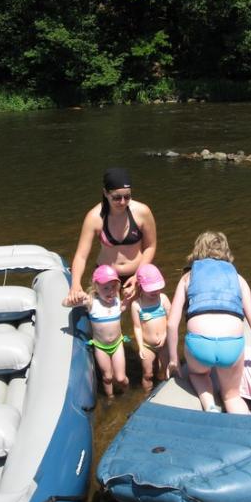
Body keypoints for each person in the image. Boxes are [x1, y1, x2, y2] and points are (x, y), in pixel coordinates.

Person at [166, 231, 251, 414]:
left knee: (198, 374)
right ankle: (244, 425)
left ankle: (209, 406)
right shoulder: (238, 279)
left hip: (199, 346)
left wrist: (173, 360)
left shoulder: (188, 278)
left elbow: (172, 324)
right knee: (232, 396)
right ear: (226, 252)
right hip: (231, 346)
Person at [64, 168, 156, 306]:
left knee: (140, 314)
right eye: (117, 197)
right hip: (106, 279)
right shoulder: (94, 217)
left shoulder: (142, 212)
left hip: (137, 273)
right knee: (104, 316)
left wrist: (138, 276)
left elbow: (150, 246)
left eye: (127, 196)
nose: (123, 202)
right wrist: (75, 284)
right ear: (106, 193)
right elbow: (81, 256)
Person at [66, 264, 129, 399]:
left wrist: (129, 299)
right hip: (101, 346)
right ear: (96, 287)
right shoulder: (91, 302)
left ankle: (126, 393)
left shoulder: (116, 300)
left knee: (120, 377)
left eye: (113, 287)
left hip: (117, 344)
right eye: (105, 288)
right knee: (107, 377)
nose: (110, 291)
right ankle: (110, 398)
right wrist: (75, 297)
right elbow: (65, 304)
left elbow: (124, 307)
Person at [131, 263, 171, 392]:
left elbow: (171, 320)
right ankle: (146, 396)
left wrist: (165, 336)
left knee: (166, 369)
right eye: (151, 289)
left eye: (157, 288)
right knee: (148, 374)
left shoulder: (163, 299)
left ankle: (165, 391)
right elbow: (137, 327)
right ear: (140, 286)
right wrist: (141, 347)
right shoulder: (137, 305)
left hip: (164, 343)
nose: (155, 291)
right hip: (147, 346)